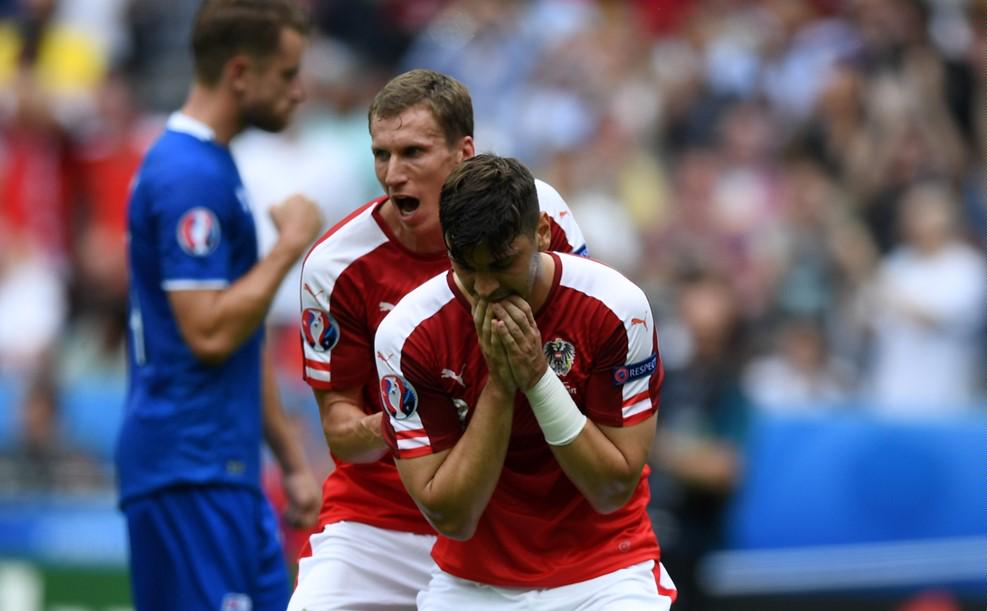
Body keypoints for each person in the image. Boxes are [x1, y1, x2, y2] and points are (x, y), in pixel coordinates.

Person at [292, 69, 586, 610]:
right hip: (381, 523)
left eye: (413, 153)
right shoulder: (336, 264)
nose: (392, 174)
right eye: (381, 155)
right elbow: (339, 432)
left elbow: (580, 349)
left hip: (513, 519)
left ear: (463, 152)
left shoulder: (534, 212)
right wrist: (414, 421)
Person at [375, 154, 676, 609]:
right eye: (465, 266)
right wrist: (500, 385)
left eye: (501, 264)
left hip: (606, 571)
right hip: (473, 583)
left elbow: (611, 490)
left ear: (541, 234)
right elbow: (453, 518)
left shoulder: (616, 309)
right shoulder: (407, 335)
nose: (484, 288)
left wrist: (537, 377)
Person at [114, 2, 322, 610]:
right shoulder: (189, 176)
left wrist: (290, 460)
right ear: (239, 73)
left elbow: (240, 331)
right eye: (287, 74)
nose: (298, 91)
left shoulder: (210, 164)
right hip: (188, 469)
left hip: (223, 469)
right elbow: (207, 332)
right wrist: (289, 246)